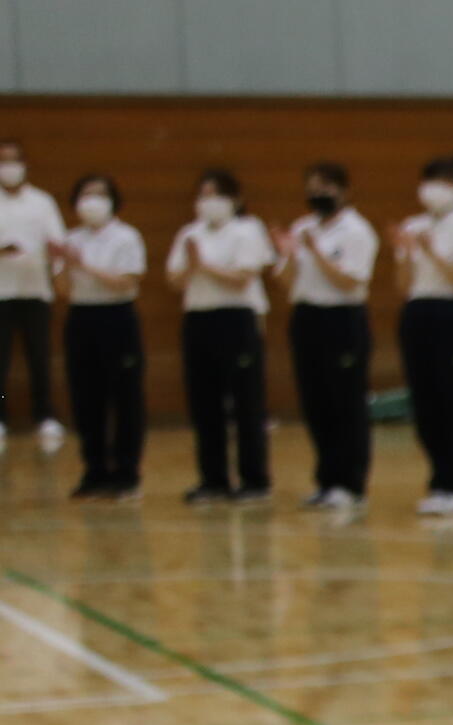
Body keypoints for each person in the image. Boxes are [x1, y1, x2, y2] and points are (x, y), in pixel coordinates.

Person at [167, 168, 274, 504]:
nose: (208, 202)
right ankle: (213, 479)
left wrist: (203, 265)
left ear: (235, 199)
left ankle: (254, 479)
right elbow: (175, 280)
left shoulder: (248, 229)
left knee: (246, 402)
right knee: (204, 404)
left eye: (216, 195)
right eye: (203, 195)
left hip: (237, 319)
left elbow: (243, 277)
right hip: (198, 319)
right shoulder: (189, 232)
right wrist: (192, 266)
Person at [277, 160, 379, 514]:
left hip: (343, 320)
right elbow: (288, 283)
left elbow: (350, 281)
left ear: (343, 190)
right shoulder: (302, 227)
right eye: (312, 185)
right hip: (307, 318)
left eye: (326, 186)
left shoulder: (357, 231)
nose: (317, 193)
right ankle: (326, 480)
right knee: (315, 403)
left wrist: (316, 251)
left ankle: (351, 484)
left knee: (345, 404)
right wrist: (289, 255)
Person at [396, 157, 453, 517]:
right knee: (426, 404)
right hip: (418, 312)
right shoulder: (413, 225)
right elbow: (403, 285)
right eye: (428, 180)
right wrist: (406, 252)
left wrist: (432, 251)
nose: (432, 189)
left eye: (441, 181)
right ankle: (439, 481)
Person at [53, 174, 145, 499]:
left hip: (116, 317)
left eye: (100, 194)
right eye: (85, 195)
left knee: (124, 398)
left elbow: (126, 283)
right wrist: (64, 264)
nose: (92, 201)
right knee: (85, 398)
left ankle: (126, 473)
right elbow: (63, 291)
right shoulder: (71, 238)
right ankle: (94, 471)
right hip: (81, 318)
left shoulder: (126, 236)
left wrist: (84, 265)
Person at [0, 138, 61, 454]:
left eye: (14, 160)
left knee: (39, 355)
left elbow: (57, 244)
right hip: (1, 290)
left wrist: (53, 260)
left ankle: (45, 414)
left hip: (35, 289)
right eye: (3, 160)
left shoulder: (42, 202)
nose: (9, 167)